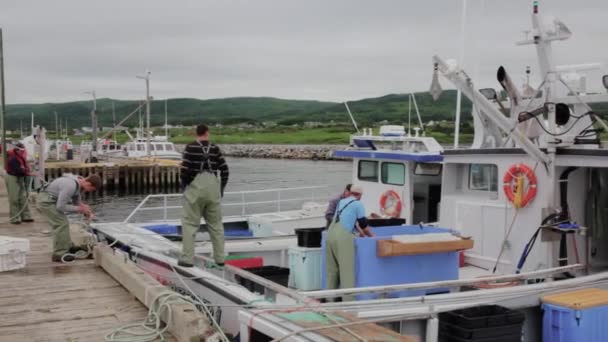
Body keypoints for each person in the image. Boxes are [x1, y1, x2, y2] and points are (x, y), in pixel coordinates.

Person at [179, 123, 229, 268]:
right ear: (207, 133)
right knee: (216, 226)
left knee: (190, 225)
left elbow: (185, 172)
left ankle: (187, 259)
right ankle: (220, 258)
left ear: (197, 133)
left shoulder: (190, 147)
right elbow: (225, 171)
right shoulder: (214, 148)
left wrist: (185, 188)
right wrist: (221, 189)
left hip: (195, 191)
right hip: (213, 192)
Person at [325, 184, 375, 300]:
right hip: (343, 238)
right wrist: (373, 236)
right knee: (346, 272)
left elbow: (348, 220)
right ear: (360, 195)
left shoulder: (341, 202)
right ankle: (348, 304)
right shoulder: (358, 204)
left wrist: (360, 232)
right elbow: (363, 224)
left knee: (332, 271)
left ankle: (329, 301)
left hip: (331, 235)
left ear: (350, 192)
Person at [37, 174, 101, 262]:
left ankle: (68, 246)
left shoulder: (78, 182)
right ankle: (59, 254)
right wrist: (80, 209)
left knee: (64, 222)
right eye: (91, 189)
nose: (89, 191)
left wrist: (84, 208)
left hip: (51, 200)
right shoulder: (70, 186)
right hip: (46, 202)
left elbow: (76, 201)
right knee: (61, 224)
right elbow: (61, 207)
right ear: (88, 184)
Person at [4, 143, 34, 224]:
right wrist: (27, 173)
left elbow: (23, 167)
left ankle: (26, 216)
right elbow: (17, 170)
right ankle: (15, 218)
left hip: (20, 177)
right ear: (16, 150)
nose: (22, 152)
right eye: (21, 151)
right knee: (14, 198)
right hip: (12, 176)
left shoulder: (21, 156)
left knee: (23, 197)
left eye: (23, 151)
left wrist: (27, 170)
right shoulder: (11, 158)